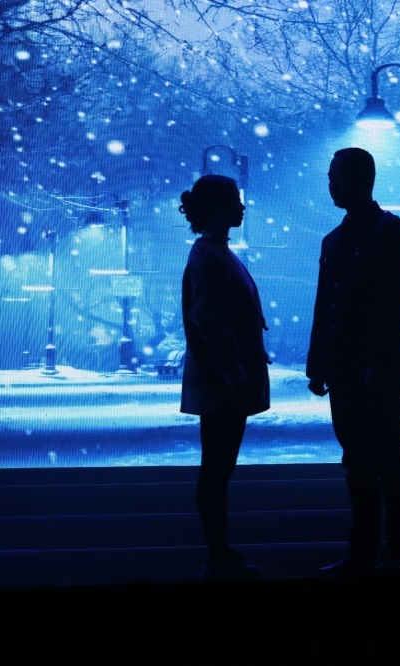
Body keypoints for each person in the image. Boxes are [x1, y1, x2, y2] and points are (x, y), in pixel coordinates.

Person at [307, 147, 400, 575]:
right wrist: (320, 363)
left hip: (365, 368)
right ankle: (382, 551)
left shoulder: (374, 233)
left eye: (336, 177)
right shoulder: (373, 233)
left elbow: (392, 306)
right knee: (368, 461)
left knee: (380, 461)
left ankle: (384, 550)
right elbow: (329, 306)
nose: (331, 185)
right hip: (355, 368)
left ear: (359, 179)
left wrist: (370, 363)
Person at [179, 174, 270, 581]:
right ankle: (217, 554)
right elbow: (213, 321)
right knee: (217, 469)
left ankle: (218, 552)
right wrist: (235, 376)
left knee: (217, 469)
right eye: (235, 199)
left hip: (221, 381)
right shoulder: (211, 257)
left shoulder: (212, 253)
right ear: (218, 207)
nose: (242, 206)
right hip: (222, 385)